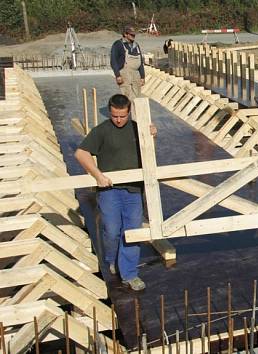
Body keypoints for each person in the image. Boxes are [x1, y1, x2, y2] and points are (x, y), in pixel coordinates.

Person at [74, 94, 156, 291]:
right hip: (109, 190)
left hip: (133, 190)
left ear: (129, 112)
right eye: (114, 116)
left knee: (132, 232)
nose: (118, 120)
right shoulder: (102, 131)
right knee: (111, 231)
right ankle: (112, 259)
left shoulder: (137, 128)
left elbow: (149, 150)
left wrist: (151, 133)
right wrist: (98, 176)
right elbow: (81, 153)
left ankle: (129, 274)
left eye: (122, 116)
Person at [111, 25, 145, 103]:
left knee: (137, 95)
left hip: (136, 73)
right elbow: (113, 61)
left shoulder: (136, 45)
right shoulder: (118, 44)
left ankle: (135, 112)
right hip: (124, 73)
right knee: (127, 95)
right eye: (131, 34)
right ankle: (129, 113)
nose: (134, 36)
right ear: (125, 34)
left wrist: (142, 76)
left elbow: (140, 62)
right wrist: (117, 75)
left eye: (134, 34)